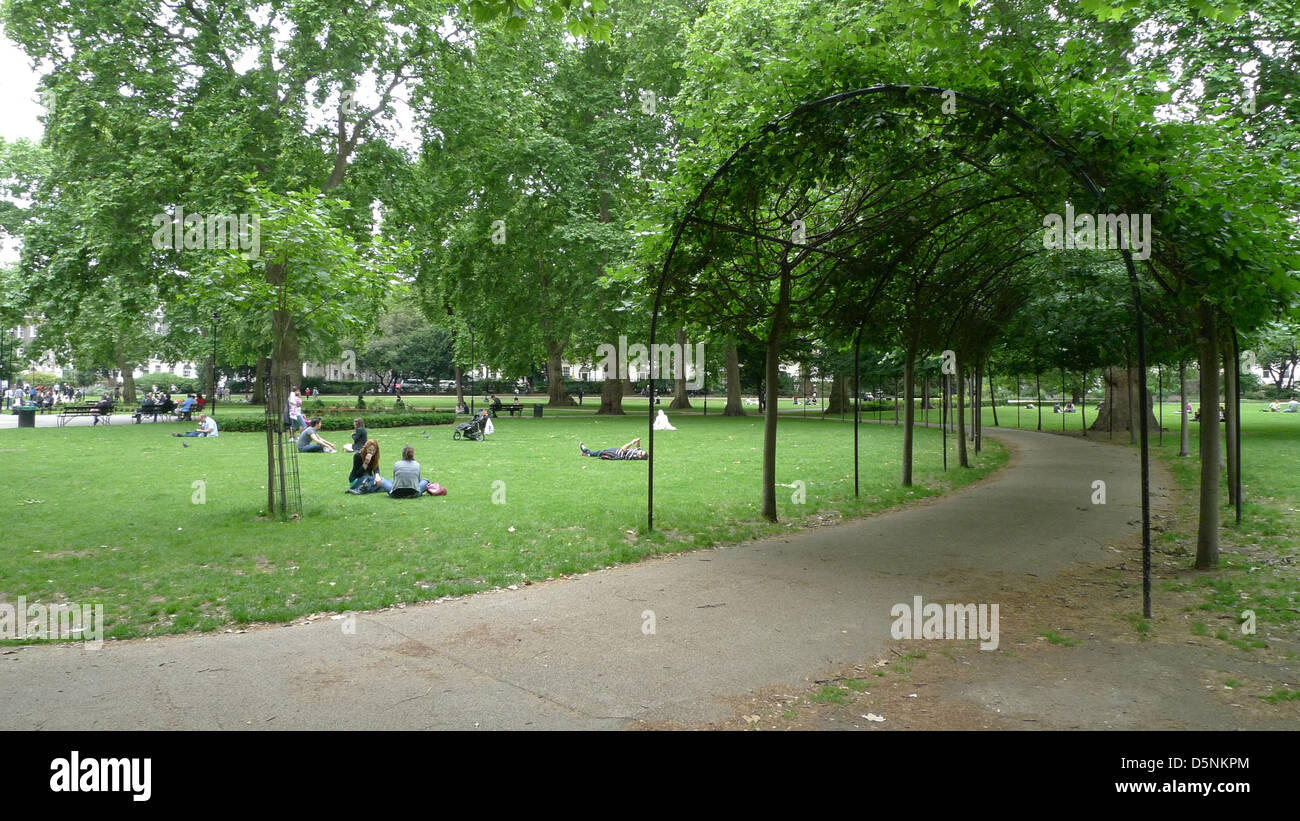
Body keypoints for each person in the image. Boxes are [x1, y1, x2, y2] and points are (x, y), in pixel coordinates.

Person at [579, 437, 648, 460]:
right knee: (600, 453)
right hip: (617, 451)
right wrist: (638, 441)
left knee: (600, 452)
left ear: (639, 456)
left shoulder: (633, 456)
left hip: (617, 454)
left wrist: (632, 442)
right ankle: (587, 454)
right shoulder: (638, 453)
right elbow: (638, 448)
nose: (641, 451)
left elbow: (623, 449)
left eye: (641, 452)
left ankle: (585, 451)